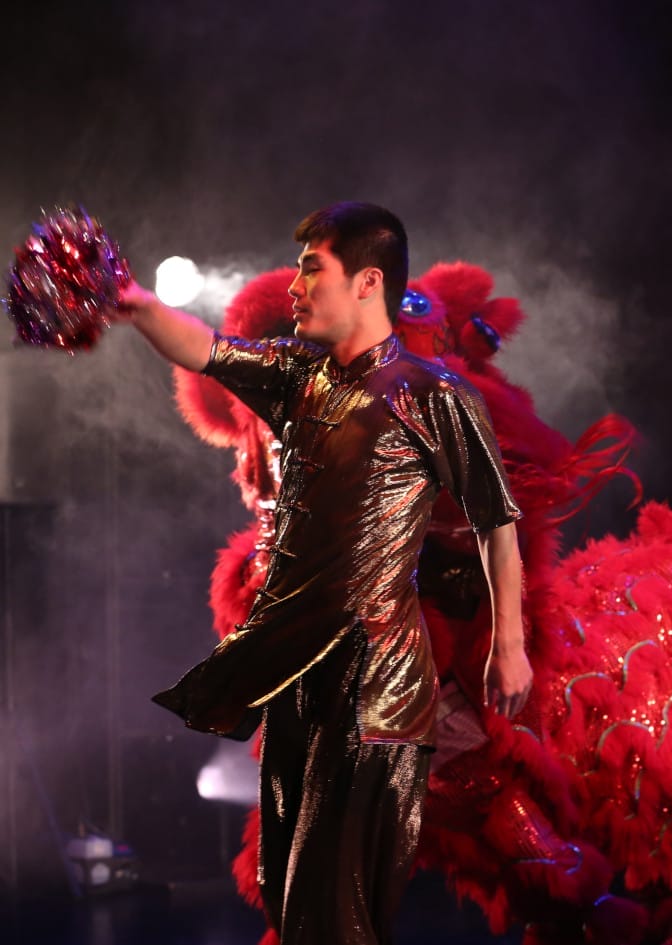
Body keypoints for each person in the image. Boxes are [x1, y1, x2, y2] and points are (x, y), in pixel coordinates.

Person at [118, 201, 533, 945]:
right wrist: (133, 302)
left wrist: (509, 646)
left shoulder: (435, 395)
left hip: (378, 692)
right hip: (297, 681)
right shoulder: (295, 374)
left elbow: (496, 525)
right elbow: (204, 349)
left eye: (313, 269)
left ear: (368, 282)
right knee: (292, 898)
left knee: (339, 907)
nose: (296, 287)